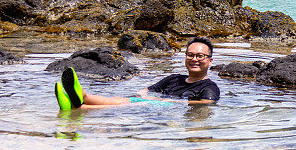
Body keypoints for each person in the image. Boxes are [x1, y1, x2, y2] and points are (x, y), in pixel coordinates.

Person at [54, 37, 220, 110]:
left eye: (200, 56)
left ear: (210, 61)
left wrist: (168, 102)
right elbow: (147, 91)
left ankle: (79, 107)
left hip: (167, 109)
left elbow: (205, 104)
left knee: (136, 104)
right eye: (190, 55)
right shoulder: (174, 78)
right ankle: (83, 97)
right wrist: (141, 95)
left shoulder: (209, 87)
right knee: (125, 100)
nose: (194, 59)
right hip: (153, 105)